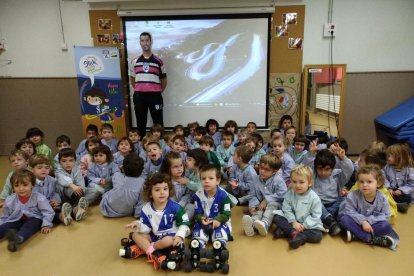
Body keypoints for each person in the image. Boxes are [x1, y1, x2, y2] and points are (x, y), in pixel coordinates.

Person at [124, 173, 190, 270]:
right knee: (135, 235)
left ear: (169, 190)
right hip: (155, 236)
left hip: (171, 237)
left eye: (165, 189)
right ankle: (154, 254)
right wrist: (137, 224)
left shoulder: (176, 207)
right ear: (150, 193)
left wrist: (179, 236)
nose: (162, 192)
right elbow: (146, 228)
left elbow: (184, 224)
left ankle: (148, 249)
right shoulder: (146, 208)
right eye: (157, 190)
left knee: (167, 241)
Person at [339, 165, 399, 249]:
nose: (364, 185)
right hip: (357, 222)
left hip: (372, 225)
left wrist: (368, 221)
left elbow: (386, 216)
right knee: (344, 219)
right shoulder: (352, 195)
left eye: (369, 182)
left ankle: (356, 235)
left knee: (387, 226)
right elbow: (349, 211)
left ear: (378, 183)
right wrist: (363, 222)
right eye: (361, 181)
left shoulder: (383, 198)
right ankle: (369, 238)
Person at [303, 139, 353, 236]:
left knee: (346, 200)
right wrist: (311, 154)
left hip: (333, 205)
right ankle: (329, 222)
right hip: (316, 206)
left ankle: (330, 222)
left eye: (327, 169)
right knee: (313, 199)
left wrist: (343, 158)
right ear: (316, 167)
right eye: (320, 169)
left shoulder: (337, 176)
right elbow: (306, 168)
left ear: (333, 168)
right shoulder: (313, 175)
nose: (323, 172)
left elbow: (349, 170)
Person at [0, 169, 54, 252]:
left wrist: (46, 224)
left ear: (32, 185)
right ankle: (8, 233)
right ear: (13, 187)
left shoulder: (39, 198)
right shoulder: (10, 200)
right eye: (17, 185)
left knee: (28, 227)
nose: (21, 188)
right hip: (17, 219)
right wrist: (3, 224)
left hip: (34, 219)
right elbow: (5, 216)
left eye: (25, 185)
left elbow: (48, 212)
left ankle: (17, 239)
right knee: (6, 226)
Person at [273, 164, 325, 249]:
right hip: (292, 221)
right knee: (276, 217)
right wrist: (293, 222)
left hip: (307, 225)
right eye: (294, 182)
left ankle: (291, 233)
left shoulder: (314, 198)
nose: (297, 185)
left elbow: (316, 216)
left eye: (301, 182)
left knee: (318, 236)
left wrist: (304, 225)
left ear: (310, 183)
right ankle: (294, 233)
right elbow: (286, 208)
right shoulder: (290, 193)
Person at [129, 32, 167, 137]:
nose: (145, 42)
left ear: (151, 42)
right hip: (139, 96)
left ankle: (160, 144)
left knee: (158, 122)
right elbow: (132, 79)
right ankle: (141, 145)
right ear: (140, 43)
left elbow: (164, 81)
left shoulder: (159, 61)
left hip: (155, 96)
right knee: (141, 122)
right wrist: (141, 89)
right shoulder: (134, 61)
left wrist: (155, 91)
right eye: (142, 40)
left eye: (147, 40)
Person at [242, 154, 287, 237]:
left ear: (274, 171)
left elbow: (283, 194)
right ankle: (252, 224)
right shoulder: (256, 179)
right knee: (258, 210)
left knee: (271, 205)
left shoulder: (279, 180)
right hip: (260, 205)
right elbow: (252, 195)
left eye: (267, 169)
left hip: (276, 206)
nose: (262, 171)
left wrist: (266, 200)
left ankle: (265, 224)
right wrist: (253, 206)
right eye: (261, 168)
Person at [192, 165, 233, 248]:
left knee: (220, 234)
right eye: (203, 179)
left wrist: (218, 220)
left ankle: (219, 247)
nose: (206, 181)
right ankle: (198, 246)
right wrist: (201, 219)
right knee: (197, 234)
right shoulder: (198, 195)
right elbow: (197, 213)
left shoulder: (224, 195)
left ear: (218, 181)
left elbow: (226, 214)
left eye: (211, 178)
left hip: (219, 221)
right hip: (205, 222)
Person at [29, 155, 73, 226]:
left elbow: (55, 193)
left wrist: (55, 201)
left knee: (64, 202)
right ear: (32, 169)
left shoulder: (52, 180)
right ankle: (61, 217)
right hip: (37, 208)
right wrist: (47, 204)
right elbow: (32, 200)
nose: (44, 170)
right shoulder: (30, 183)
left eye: (47, 168)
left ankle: (74, 210)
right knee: (46, 214)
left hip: (51, 204)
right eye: (40, 168)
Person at [100, 153, 146, 218]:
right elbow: (141, 201)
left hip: (108, 210)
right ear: (142, 170)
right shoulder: (142, 182)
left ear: (123, 168)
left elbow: (116, 175)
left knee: (106, 194)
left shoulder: (117, 175)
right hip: (128, 211)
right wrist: (137, 215)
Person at [55, 148, 92, 221]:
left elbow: (81, 182)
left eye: (71, 160)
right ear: (60, 162)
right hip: (63, 197)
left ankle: (76, 210)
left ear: (75, 161)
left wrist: (80, 189)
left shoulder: (76, 170)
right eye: (64, 161)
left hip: (76, 194)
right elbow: (62, 180)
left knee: (94, 190)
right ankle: (75, 210)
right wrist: (72, 185)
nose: (68, 163)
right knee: (68, 192)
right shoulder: (58, 171)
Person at [160, 152, 195, 220]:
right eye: (175, 167)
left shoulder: (185, 180)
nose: (179, 169)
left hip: (182, 205)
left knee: (192, 207)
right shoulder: (164, 182)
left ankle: (183, 221)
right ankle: (171, 221)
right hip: (168, 207)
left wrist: (182, 202)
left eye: (181, 165)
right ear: (168, 168)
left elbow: (189, 194)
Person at [384, 143, 414, 213]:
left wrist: (401, 190)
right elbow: (384, 179)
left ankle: (394, 204)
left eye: (390, 156)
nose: (387, 158)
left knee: (408, 198)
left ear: (399, 157)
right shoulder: (387, 167)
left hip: (403, 193)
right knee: (381, 194)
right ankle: (396, 204)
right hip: (390, 191)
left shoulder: (409, 169)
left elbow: (412, 184)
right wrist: (389, 188)